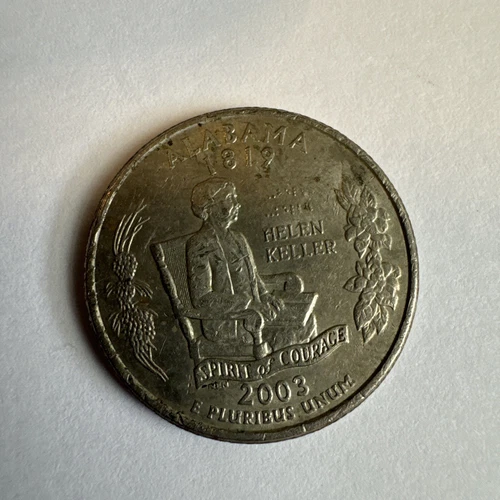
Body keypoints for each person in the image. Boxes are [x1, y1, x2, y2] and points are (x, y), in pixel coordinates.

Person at [186, 178, 283, 347]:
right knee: (289, 335)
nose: (237, 204)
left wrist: (265, 295)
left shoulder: (238, 238)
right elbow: (202, 299)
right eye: (230, 198)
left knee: (305, 321)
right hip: (230, 326)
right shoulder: (200, 244)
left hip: (256, 317)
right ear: (210, 207)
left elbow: (253, 276)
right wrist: (248, 304)